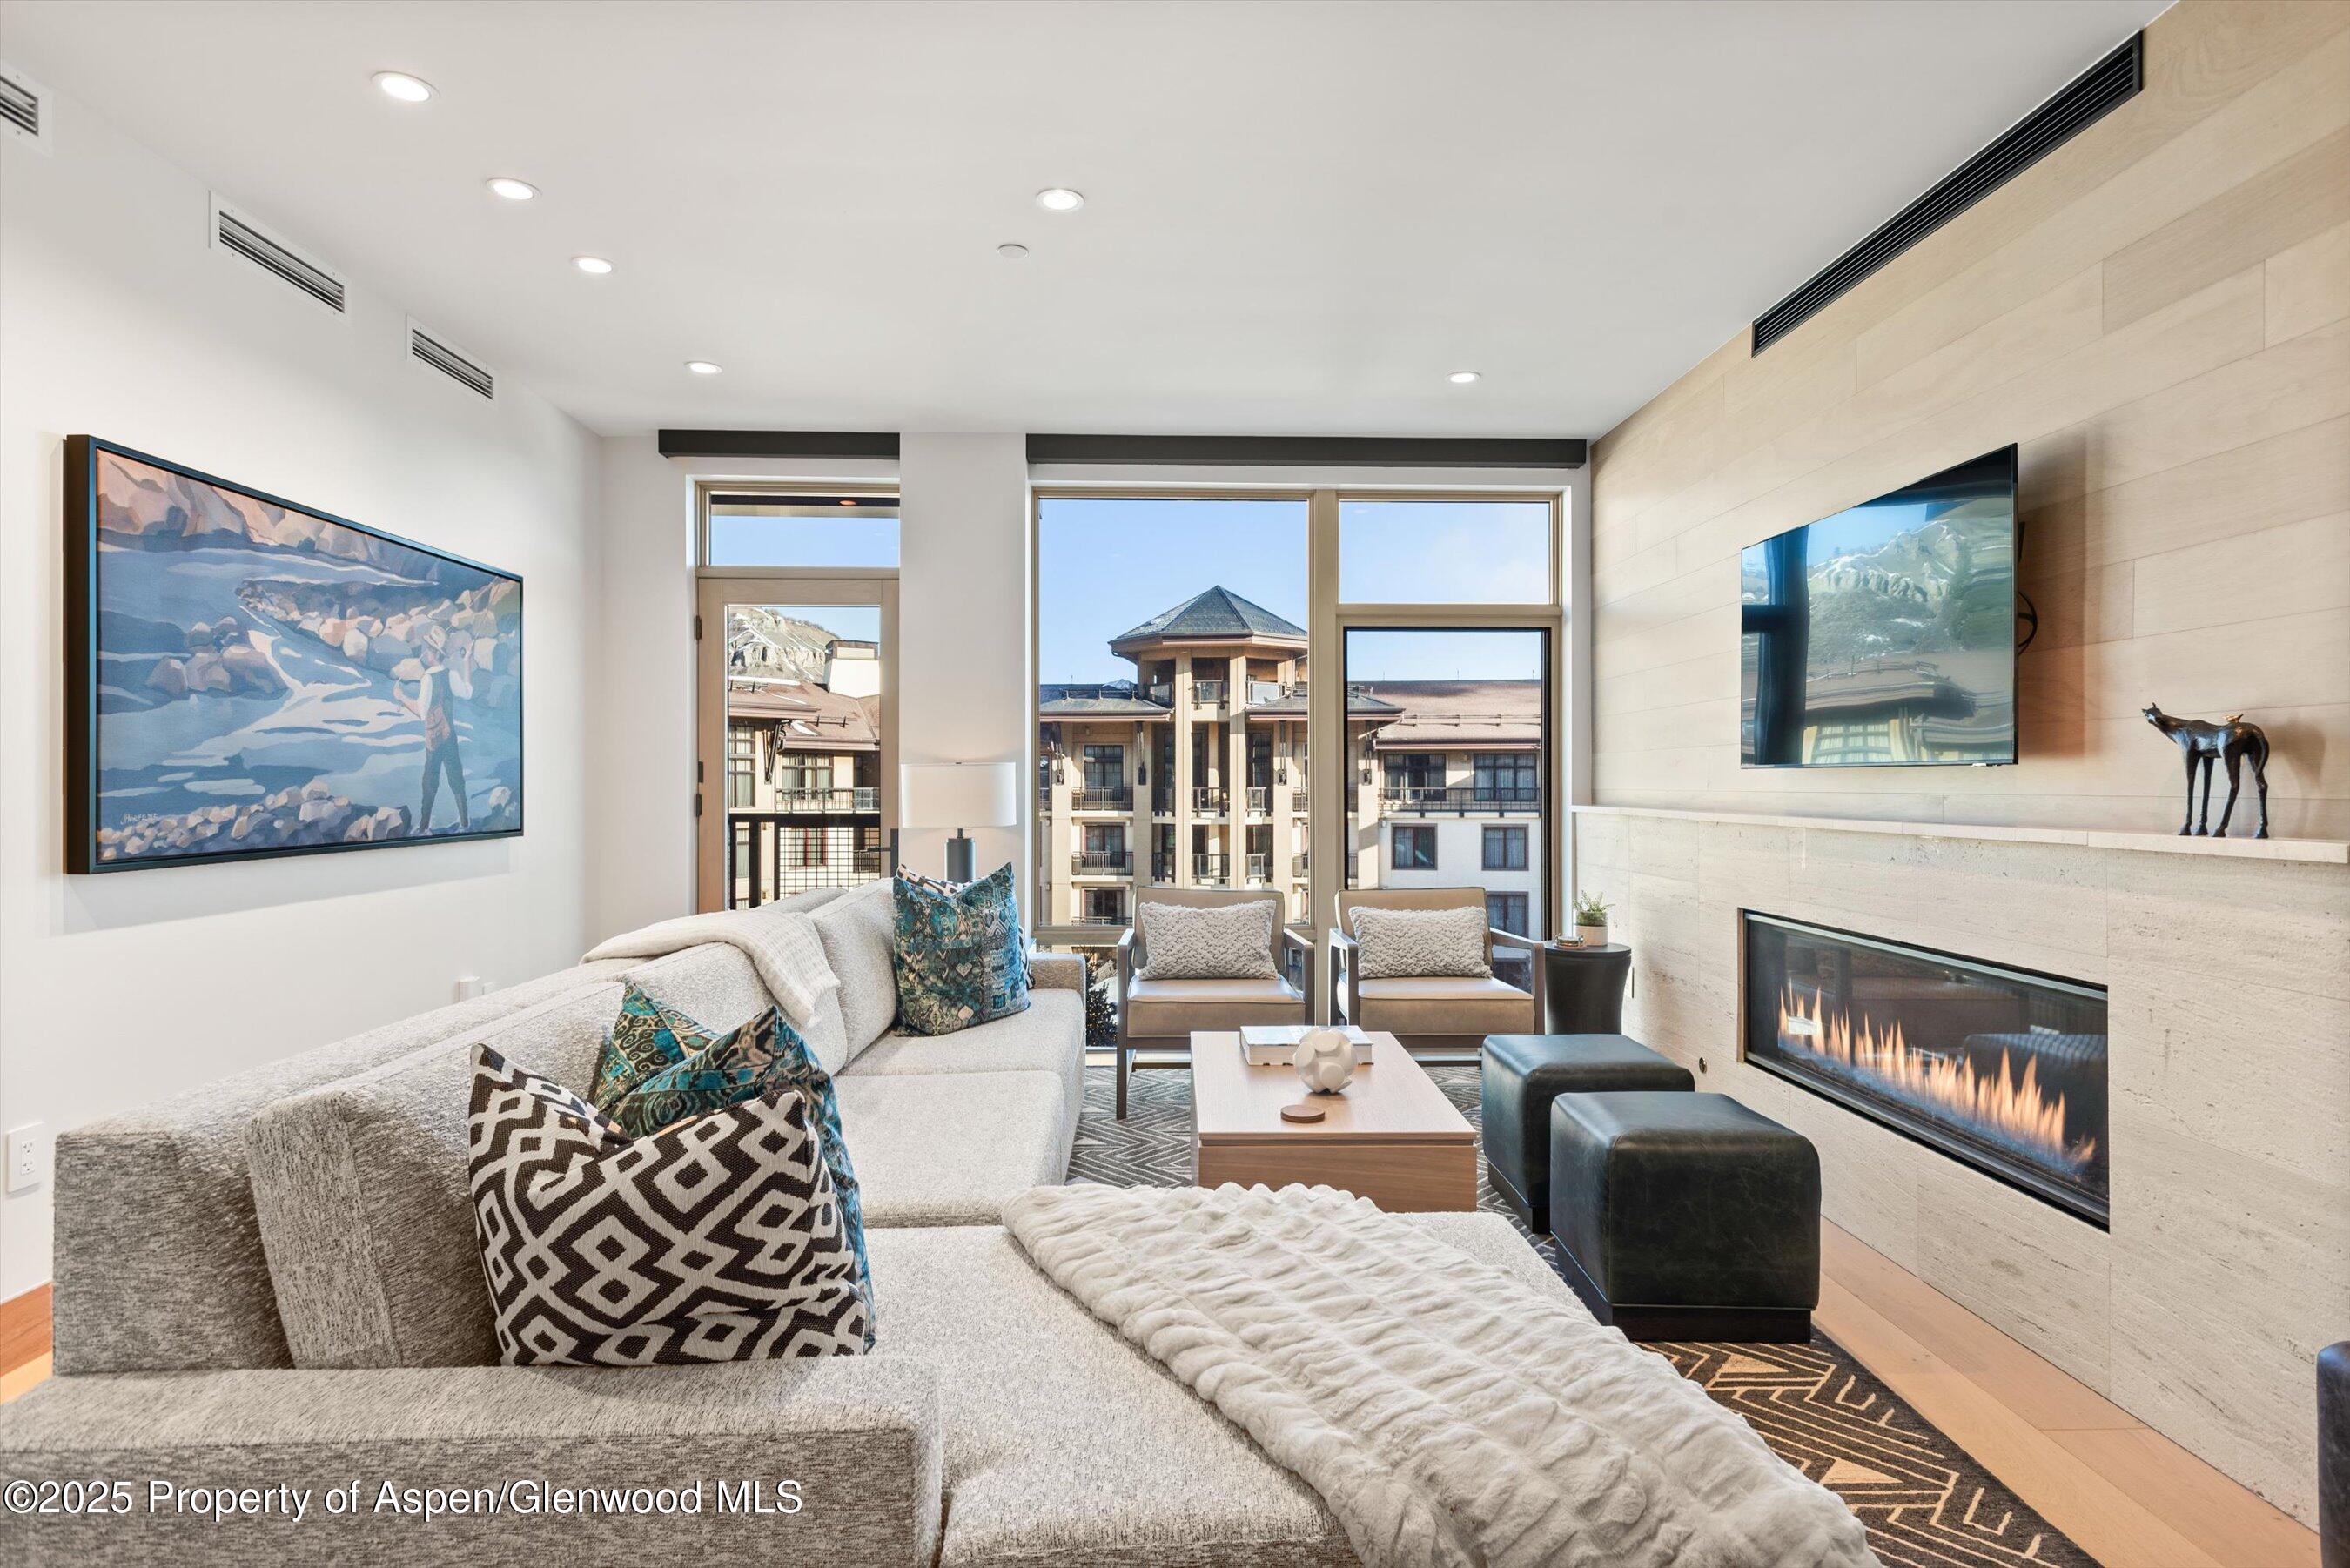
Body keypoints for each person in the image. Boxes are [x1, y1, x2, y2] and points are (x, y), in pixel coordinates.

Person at [398, 654, 471, 833]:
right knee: (457, 779)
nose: (426, 653)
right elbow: (468, 692)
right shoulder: (451, 674)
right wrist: (466, 661)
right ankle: (465, 824)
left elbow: (421, 713)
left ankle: (424, 828)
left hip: (435, 738)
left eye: (428, 649)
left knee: (430, 781)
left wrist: (401, 697)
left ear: (433, 654)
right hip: (450, 735)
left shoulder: (427, 678)